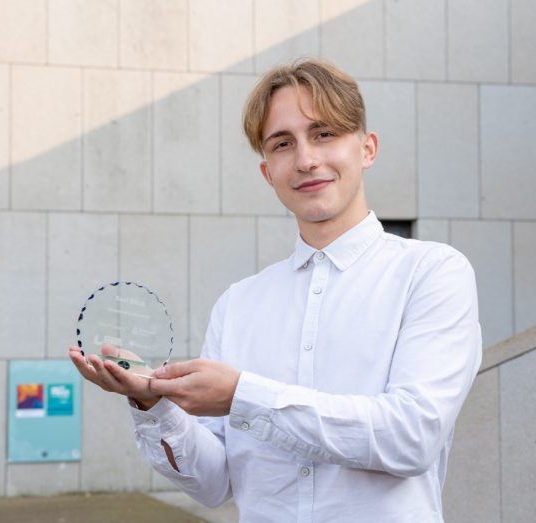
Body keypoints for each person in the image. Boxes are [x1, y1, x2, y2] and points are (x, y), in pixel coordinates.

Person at [69, 58, 482, 522]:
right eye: (283, 144)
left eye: (324, 133)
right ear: (268, 173)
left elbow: (411, 437)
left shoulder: (431, 273)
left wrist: (244, 395)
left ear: (367, 149)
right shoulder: (239, 303)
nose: (306, 160)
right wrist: (152, 402)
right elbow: (213, 484)